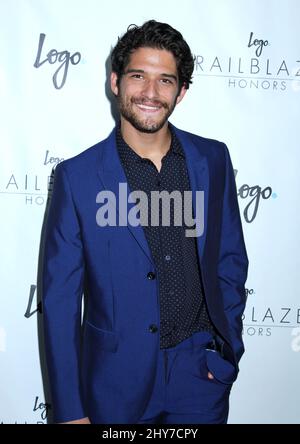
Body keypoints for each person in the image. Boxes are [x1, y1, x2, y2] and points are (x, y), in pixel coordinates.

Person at [42, 20, 248, 424]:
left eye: (165, 80)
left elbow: (230, 261)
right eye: (138, 76)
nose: (151, 93)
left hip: (199, 377)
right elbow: (60, 301)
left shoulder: (213, 160)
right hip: (113, 383)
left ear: (182, 91)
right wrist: (70, 410)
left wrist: (226, 352)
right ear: (115, 81)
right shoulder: (77, 177)